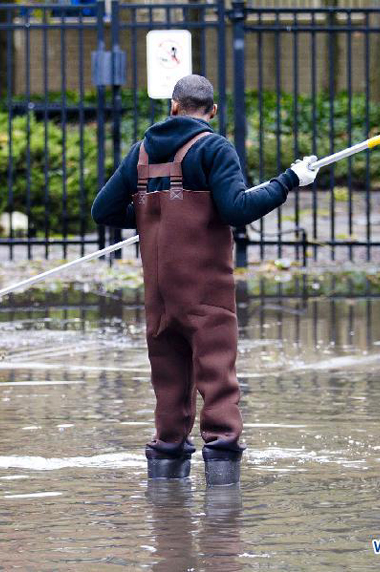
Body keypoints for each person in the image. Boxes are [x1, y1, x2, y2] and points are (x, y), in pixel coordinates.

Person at [91, 74, 317, 486]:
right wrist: (289, 181)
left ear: (173, 106)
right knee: (218, 383)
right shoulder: (214, 147)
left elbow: (102, 210)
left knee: (169, 388)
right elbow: (236, 209)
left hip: (159, 299)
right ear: (212, 111)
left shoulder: (140, 153)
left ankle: (165, 499)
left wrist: (148, 217)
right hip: (205, 294)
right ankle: (223, 508)